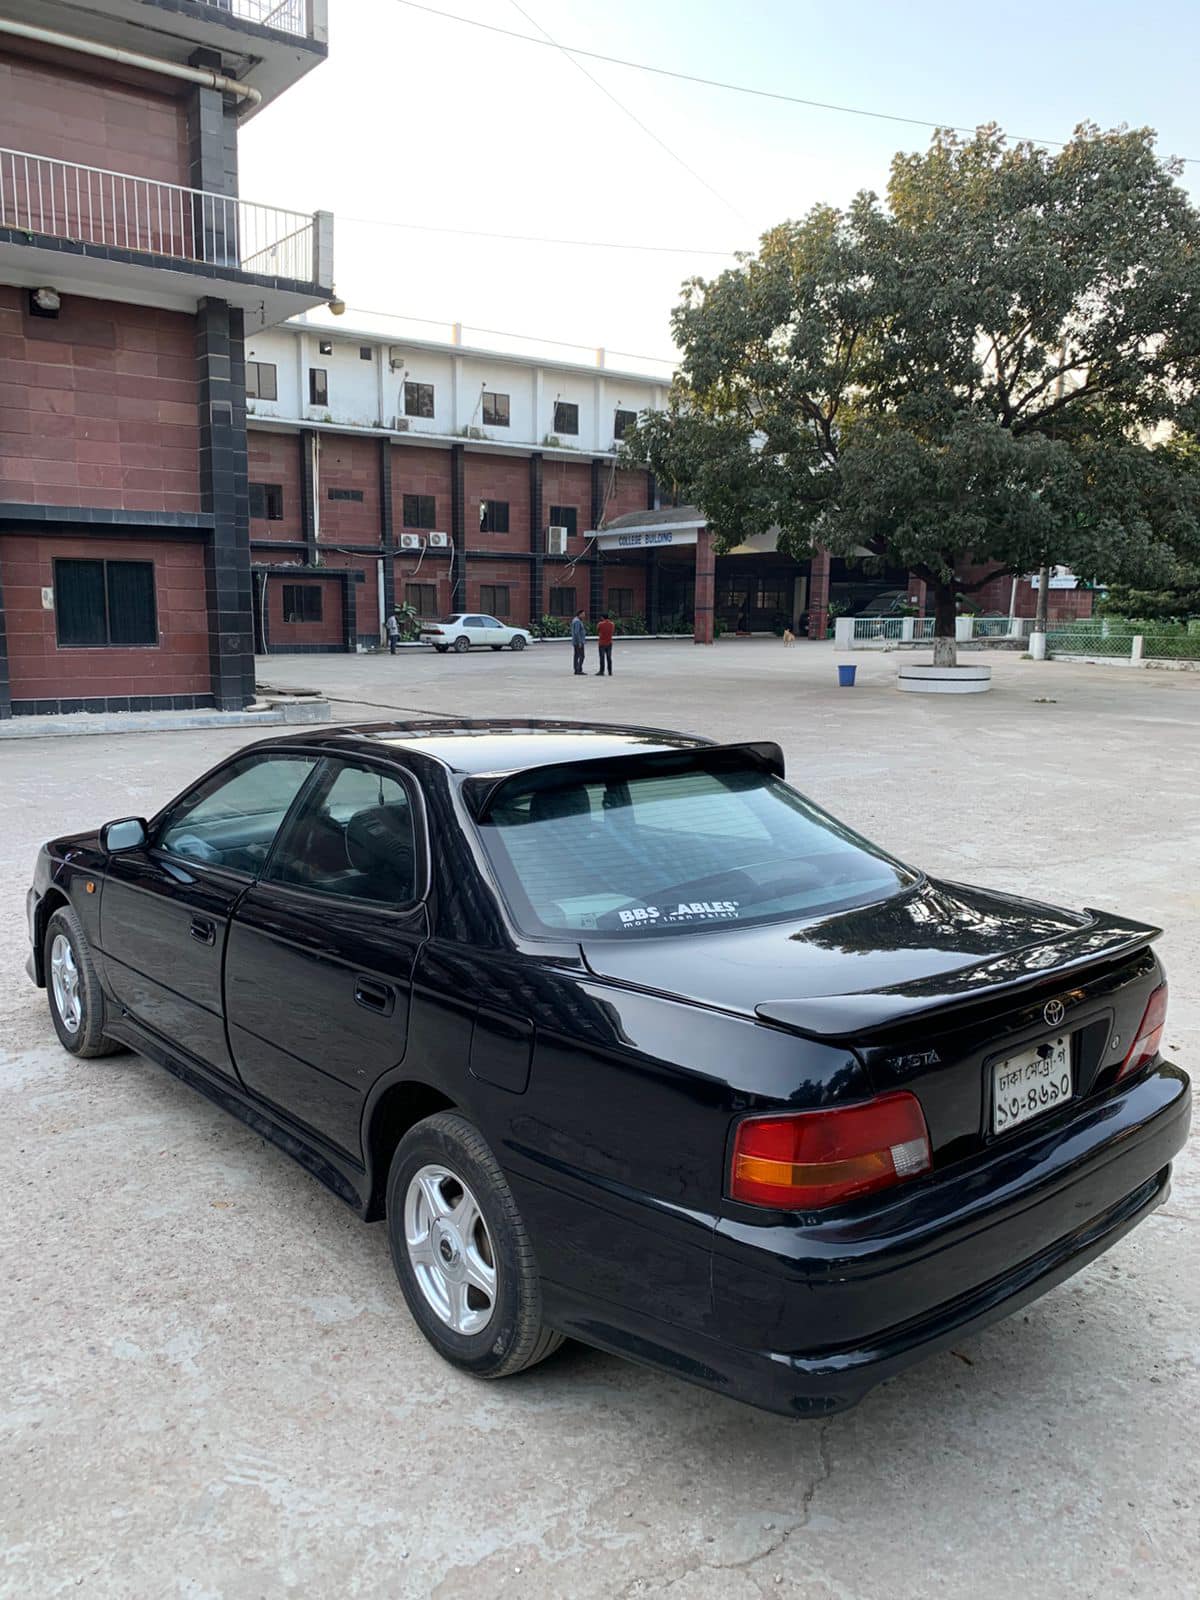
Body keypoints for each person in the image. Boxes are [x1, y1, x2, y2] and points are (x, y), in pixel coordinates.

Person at [595, 612, 614, 676]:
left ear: (602, 617)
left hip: (602, 643)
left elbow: (597, 630)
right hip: (609, 642)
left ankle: (601, 671)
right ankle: (610, 671)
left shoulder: (600, 624)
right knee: (609, 657)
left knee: (602, 657)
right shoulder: (612, 624)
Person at [570, 609, 587, 675]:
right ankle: (578, 669)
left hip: (577, 641)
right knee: (581, 655)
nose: (584, 615)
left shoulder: (576, 620)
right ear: (579, 614)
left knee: (577, 655)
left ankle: (577, 669)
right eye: (583, 614)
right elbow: (576, 633)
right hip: (578, 642)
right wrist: (580, 642)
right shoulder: (577, 621)